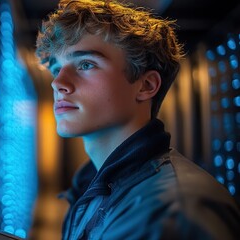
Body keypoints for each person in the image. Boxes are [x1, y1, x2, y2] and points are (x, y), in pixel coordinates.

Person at [35, 0, 240, 239]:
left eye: (85, 64)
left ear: (146, 85)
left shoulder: (172, 213)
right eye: (56, 69)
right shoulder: (94, 187)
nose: (58, 83)